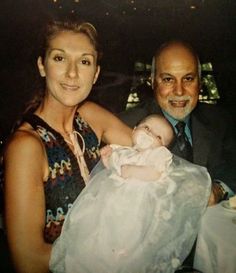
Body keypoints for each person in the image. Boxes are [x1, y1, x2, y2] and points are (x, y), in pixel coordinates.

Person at [3, 17, 132, 273]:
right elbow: (29, 261)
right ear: (42, 65)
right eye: (59, 58)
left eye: (84, 62)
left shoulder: (90, 116)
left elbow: (148, 148)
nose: (72, 73)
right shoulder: (27, 146)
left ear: (95, 73)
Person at [49, 114, 211, 273]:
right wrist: (107, 159)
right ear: (134, 130)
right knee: (101, 225)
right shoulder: (123, 151)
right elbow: (113, 167)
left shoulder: (158, 156)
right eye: (147, 128)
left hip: (137, 204)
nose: (150, 134)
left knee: (130, 232)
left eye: (158, 137)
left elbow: (155, 173)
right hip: (111, 199)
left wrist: (134, 171)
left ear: (163, 147)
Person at [119, 40, 236, 205]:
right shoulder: (125, 125)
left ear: (200, 82)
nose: (179, 91)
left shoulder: (219, 120)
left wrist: (218, 190)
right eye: (168, 79)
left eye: (188, 78)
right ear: (153, 81)